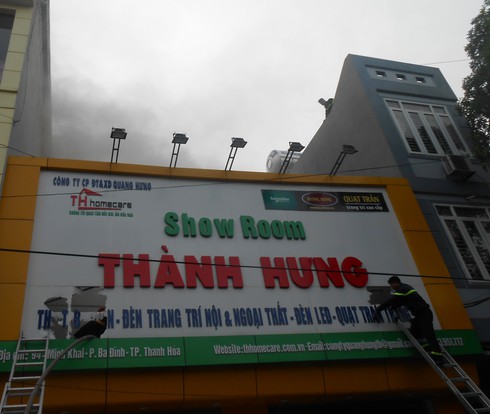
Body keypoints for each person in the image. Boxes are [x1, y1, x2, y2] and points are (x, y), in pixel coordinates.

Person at [374, 276, 443, 364]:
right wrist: (396, 306)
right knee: (414, 332)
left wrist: (378, 309)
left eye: (391, 285)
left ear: (395, 283)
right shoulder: (406, 287)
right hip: (419, 315)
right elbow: (405, 301)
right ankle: (427, 347)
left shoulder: (402, 289)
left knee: (429, 334)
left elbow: (391, 300)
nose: (391, 287)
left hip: (424, 314)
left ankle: (438, 356)